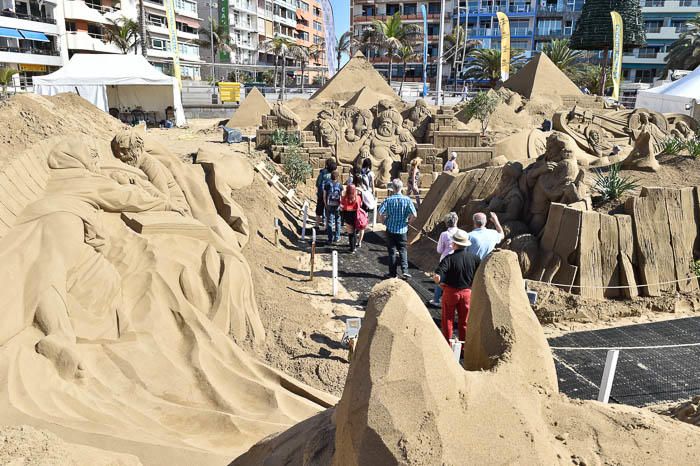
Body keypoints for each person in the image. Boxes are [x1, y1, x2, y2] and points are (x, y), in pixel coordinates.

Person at [433, 229, 481, 344]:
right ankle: (464, 347)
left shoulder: (448, 259)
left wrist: (439, 284)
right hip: (467, 293)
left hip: (450, 293)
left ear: (454, 244)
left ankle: (447, 346)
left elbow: (437, 277)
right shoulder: (475, 259)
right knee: (464, 321)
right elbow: (479, 275)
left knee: (447, 320)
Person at [379, 179, 417, 279]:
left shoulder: (388, 200)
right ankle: (405, 271)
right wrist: (409, 222)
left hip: (390, 229)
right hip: (402, 230)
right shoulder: (407, 200)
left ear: (392, 189)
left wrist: (383, 221)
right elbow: (414, 214)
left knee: (392, 252)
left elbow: (380, 212)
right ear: (401, 188)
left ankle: (393, 273)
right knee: (403, 251)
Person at [428, 212, 459, 308]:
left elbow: (439, 250)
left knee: (440, 280)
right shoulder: (462, 233)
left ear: (447, 223)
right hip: (458, 260)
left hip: (445, 260)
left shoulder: (444, 234)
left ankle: (436, 300)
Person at [357, 158, 376, 246]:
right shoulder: (371, 173)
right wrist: (374, 193)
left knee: (361, 208)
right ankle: (364, 224)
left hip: (361, 191)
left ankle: (359, 223)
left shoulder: (361, 172)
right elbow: (372, 184)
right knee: (366, 208)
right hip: (368, 192)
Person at [340, 183, 362, 253]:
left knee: (350, 233)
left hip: (347, 215)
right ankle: (354, 247)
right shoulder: (358, 197)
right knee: (354, 232)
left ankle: (352, 248)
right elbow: (360, 205)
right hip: (356, 215)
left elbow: (341, 207)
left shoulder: (344, 198)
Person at [315, 158, 336, 229]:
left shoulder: (322, 173)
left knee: (319, 210)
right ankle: (327, 227)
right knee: (328, 211)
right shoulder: (333, 175)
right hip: (329, 196)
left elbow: (317, 183)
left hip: (321, 194)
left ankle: (317, 225)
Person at [323, 170, 343, 243]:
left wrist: (326, 204)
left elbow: (324, 196)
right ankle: (337, 237)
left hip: (329, 205)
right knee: (338, 221)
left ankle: (330, 239)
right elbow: (341, 196)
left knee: (329, 221)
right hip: (337, 205)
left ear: (331, 176)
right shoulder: (340, 185)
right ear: (337, 177)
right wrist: (341, 205)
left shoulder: (327, 184)